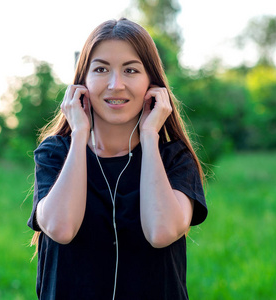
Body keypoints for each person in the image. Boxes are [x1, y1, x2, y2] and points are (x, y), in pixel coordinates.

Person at [27, 18, 208, 300]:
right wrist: (79, 134)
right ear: (81, 83)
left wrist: (150, 135)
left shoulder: (174, 159)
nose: (116, 84)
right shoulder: (56, 153)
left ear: (152, 83)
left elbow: (161, 232)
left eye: (131, 70)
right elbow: (61, 228)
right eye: (100, 69)